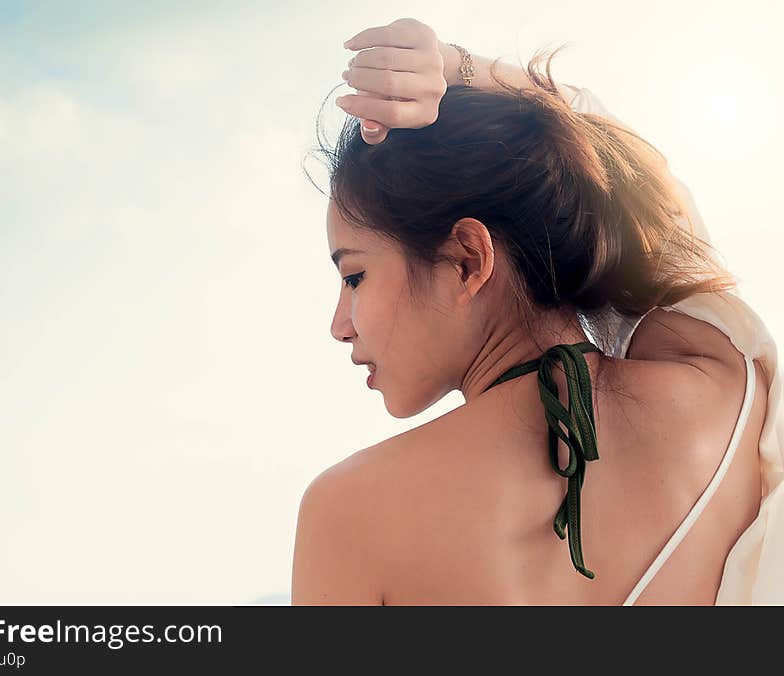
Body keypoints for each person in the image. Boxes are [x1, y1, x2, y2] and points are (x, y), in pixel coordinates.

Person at [291, 18, 784, 605]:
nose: (339, 323)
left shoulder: (351, 515)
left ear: (469, 258)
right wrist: (457, 68)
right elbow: (642, 190)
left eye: (355, 276)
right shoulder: (721, 381)